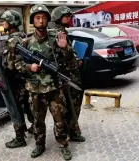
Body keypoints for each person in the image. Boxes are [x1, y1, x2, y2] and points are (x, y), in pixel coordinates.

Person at [14, 4, 75, 160]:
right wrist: (29, 67)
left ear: (48, 20)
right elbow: (17, 64)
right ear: (33, 21)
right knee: (37, 121)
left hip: (54, 87)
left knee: (60, 120)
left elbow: (71, 63)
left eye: (44, 18)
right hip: (35, 89)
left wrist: (65, 48)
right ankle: (39, 145)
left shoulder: (57, 39)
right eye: (37, 18)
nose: (41, 21)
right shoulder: (26, 42)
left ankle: (63, 144)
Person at [0, 9, 34, 149]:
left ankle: (20, 138)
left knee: (15, 109)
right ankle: (35, 127)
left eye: (4, 21)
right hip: (24, 80)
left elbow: (11, 65)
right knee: (28, 107)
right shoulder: (22, 35)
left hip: (15, 81)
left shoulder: (12, 40)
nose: (2, 23)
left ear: (12, 22)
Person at [51, 6, 85, 142]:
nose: (69, 18)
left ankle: (72, 131)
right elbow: (61, 57)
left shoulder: (63, 32)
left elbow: (69, 53)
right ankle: (69, 133)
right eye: (66, 16)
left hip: (71, 76)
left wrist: (77, 59)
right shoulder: (58, 34)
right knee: (70, 107)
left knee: (73, 106)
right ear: (59, 17)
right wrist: (75, 60)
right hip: (68, 77)